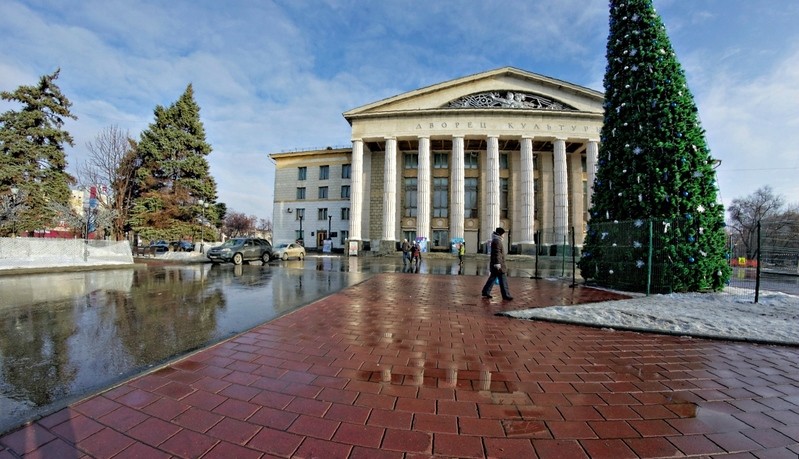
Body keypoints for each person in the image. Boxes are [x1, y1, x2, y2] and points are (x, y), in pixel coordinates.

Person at [481, 227, 513, 300]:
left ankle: (485, 291)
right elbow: (497, 253)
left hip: (496, 264)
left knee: (492, 278)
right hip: (499, 265)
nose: (504, 235)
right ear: (501, 234)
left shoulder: (496, 240)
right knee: (503, 280)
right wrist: (498, 263)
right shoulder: (497, 241)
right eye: (503, 234)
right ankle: (506, 295)